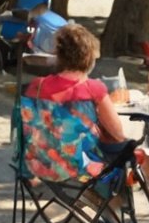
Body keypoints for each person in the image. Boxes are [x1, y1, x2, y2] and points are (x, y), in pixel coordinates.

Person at [23, 23, 137, 179]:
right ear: (88, 57)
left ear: (58, 55)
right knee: (127, 149)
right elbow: (117, 133)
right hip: (80, 169)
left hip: (39, 165)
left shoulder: (37, 86)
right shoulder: (93, 89)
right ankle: (116, 201)